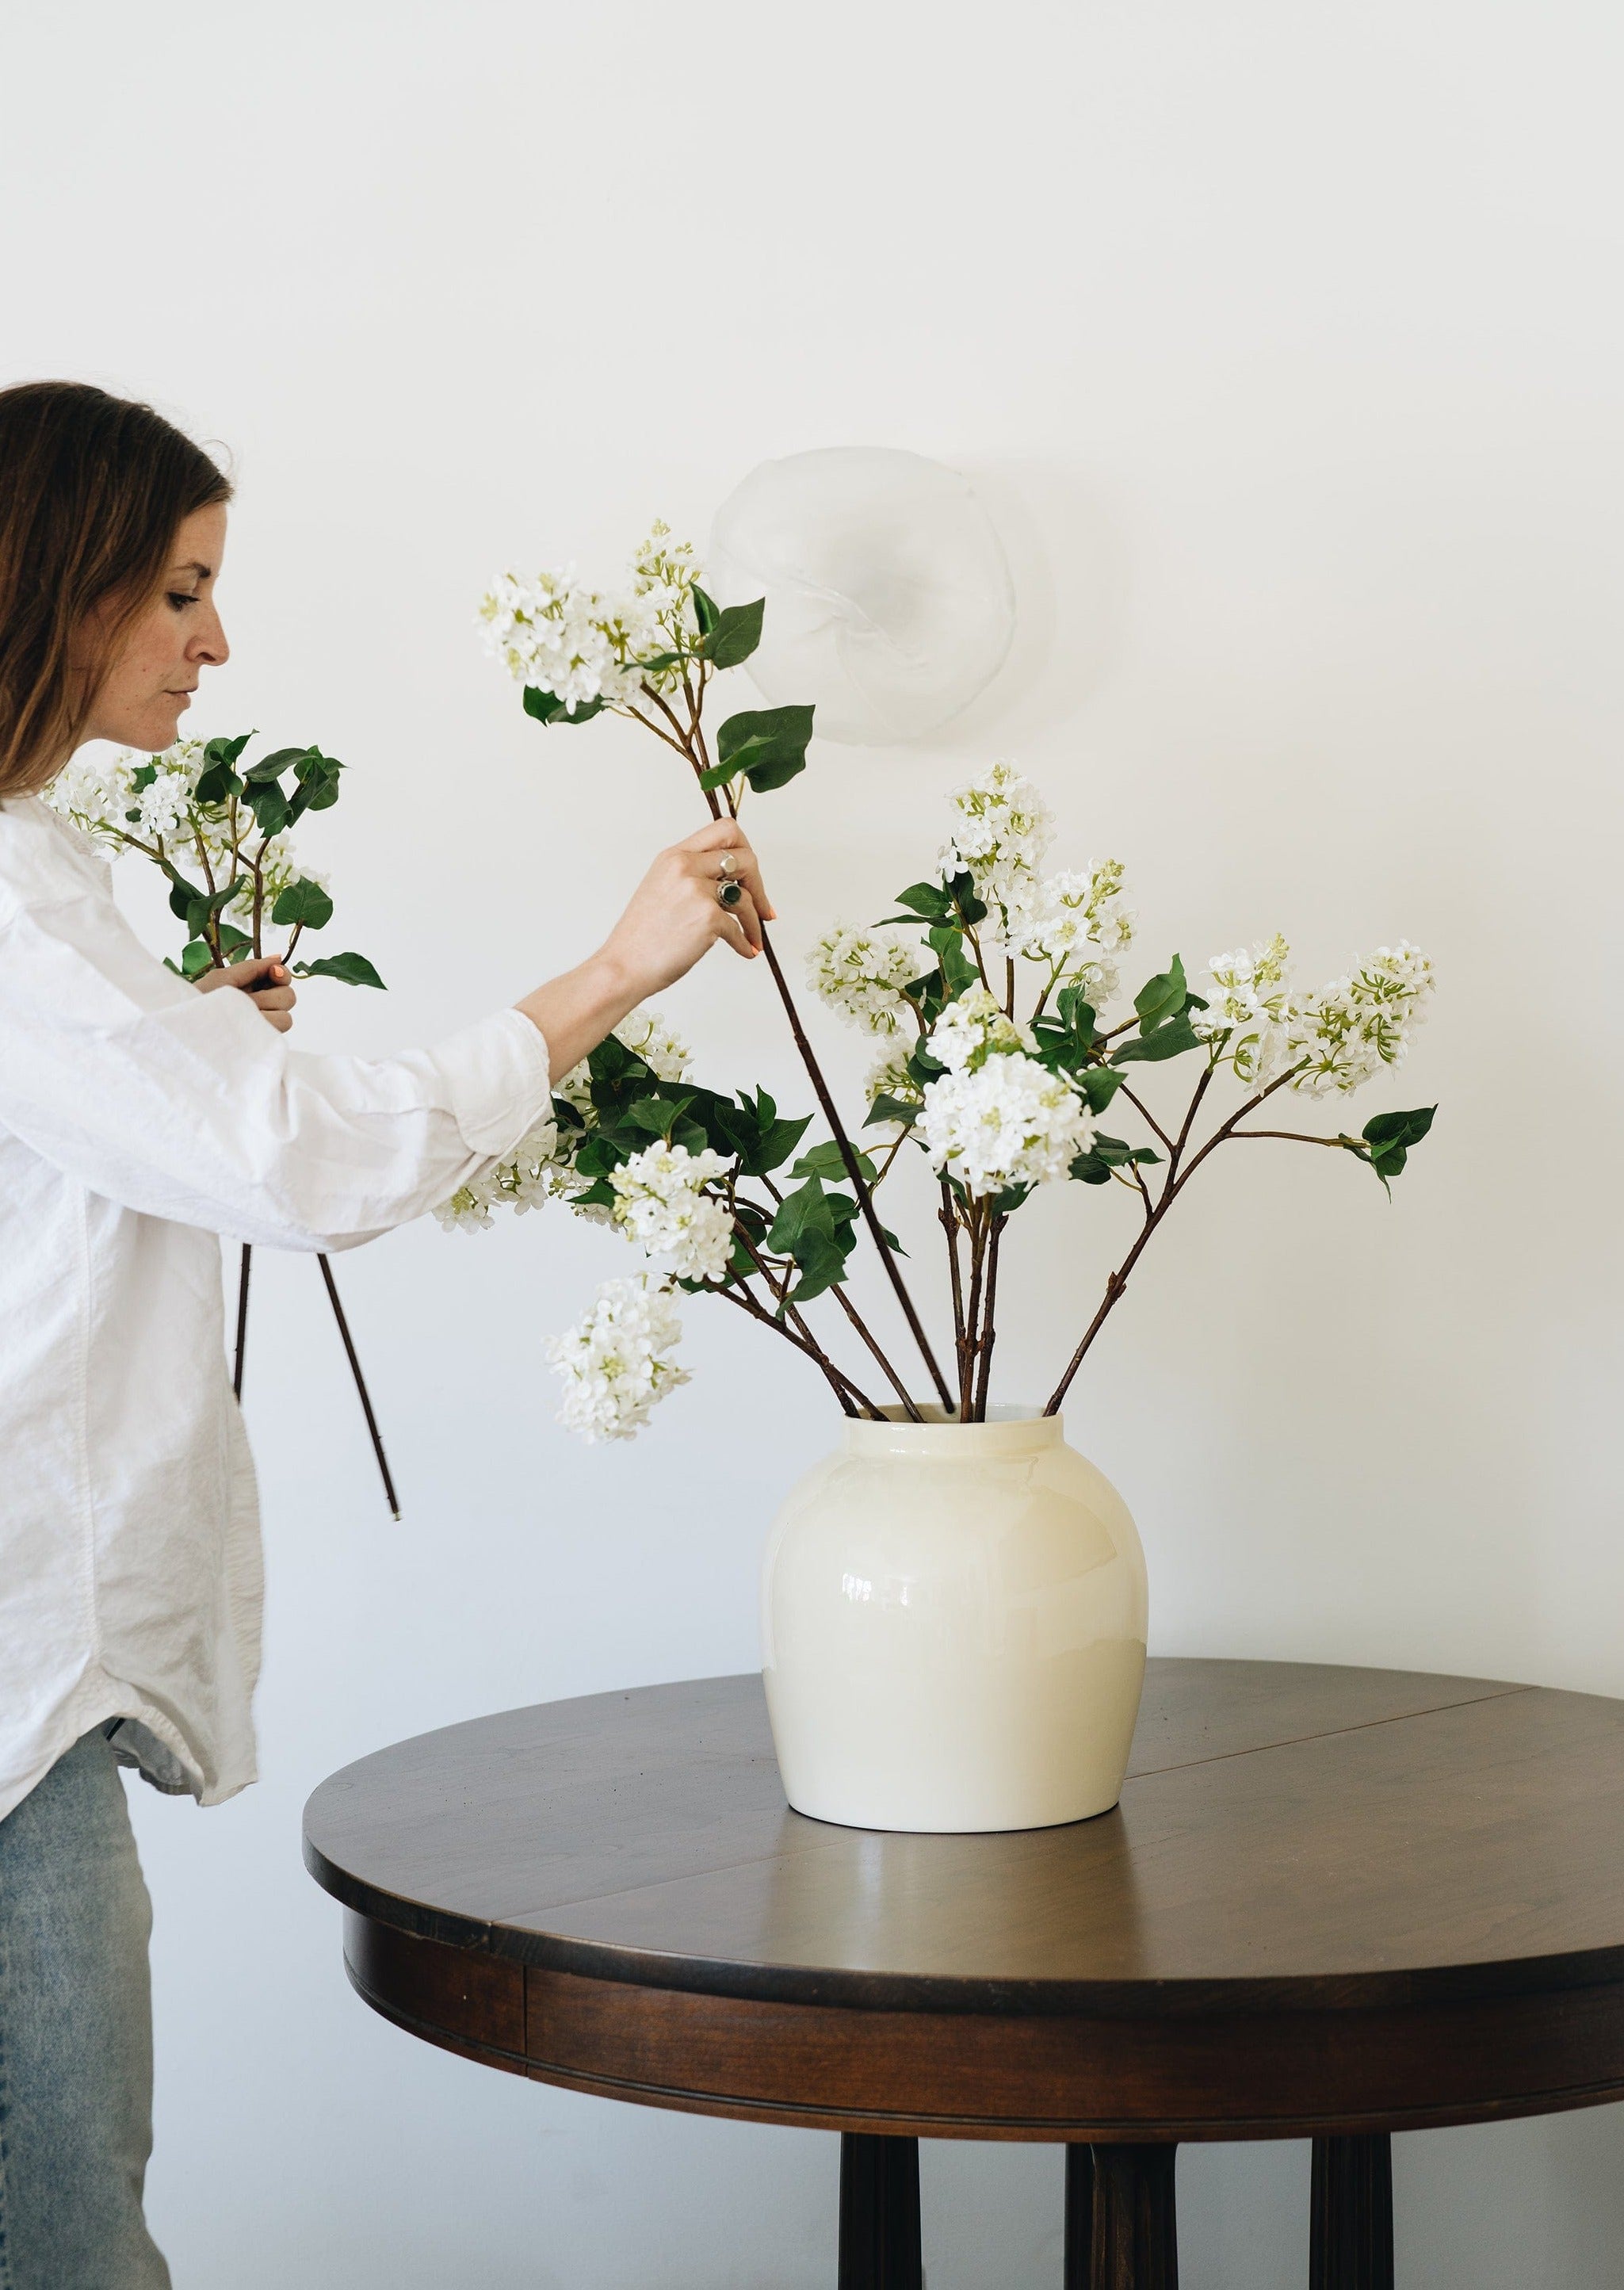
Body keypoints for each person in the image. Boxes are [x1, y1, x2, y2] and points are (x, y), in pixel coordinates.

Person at [0, 379, 772, 2288]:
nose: (216, 640)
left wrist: (176, 1052)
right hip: (11, 1696)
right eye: (179, 589)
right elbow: (310, 1160)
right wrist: (611, 970)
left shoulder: (45, 885)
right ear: (56, 585)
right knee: (70, 2244)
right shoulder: (9, 897)